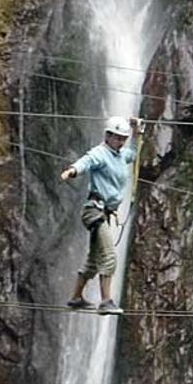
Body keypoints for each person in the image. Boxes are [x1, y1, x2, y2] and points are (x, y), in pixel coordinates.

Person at [60, 115, 143, 315]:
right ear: (107, 136)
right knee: (109, 257)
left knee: (93, 260)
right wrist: (72, 171)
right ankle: (106, 301)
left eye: (123, 138)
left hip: (103, 213)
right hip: (94, 211)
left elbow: (133, 153)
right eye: (117, 137)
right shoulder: (100, 153)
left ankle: (75, 298)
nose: (120, 141)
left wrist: (136, 133)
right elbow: (86, 161)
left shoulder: (121, 155)